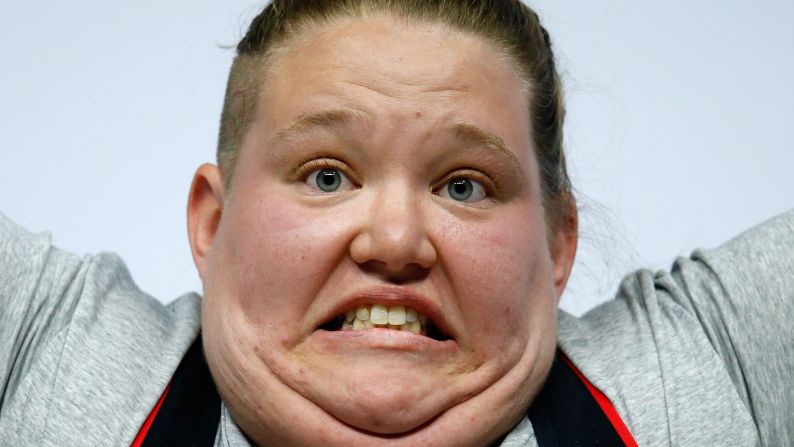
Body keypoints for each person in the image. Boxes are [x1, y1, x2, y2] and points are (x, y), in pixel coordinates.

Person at [1, 1, 792, 446]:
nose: (395, 241)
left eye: (464, 185)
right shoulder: (51, 350)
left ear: (557, 243)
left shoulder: (701, 370)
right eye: (326, 175)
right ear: (211, 222)